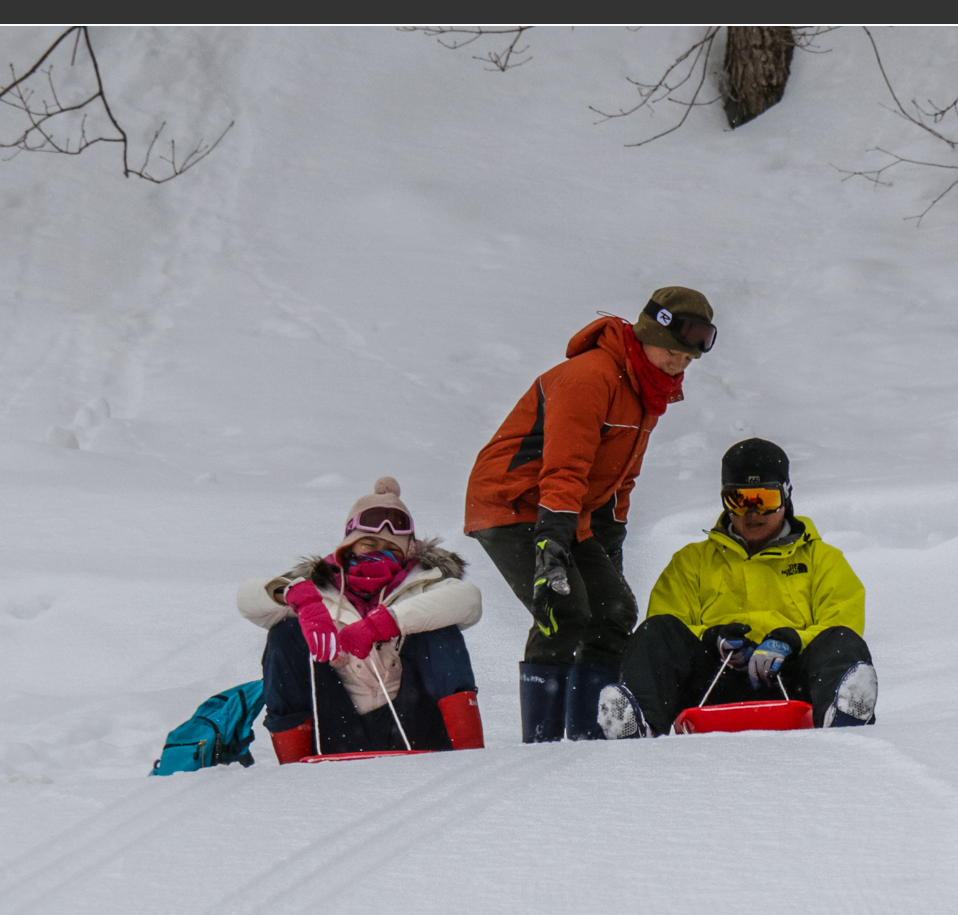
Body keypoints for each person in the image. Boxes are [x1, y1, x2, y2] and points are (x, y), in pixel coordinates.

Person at [464, 286, 717, 742]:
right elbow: (565, 465)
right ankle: (542, 742)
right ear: (646, 334)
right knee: (563, 608)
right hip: (513, 499)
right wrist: (552, 543)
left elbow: (621, 480)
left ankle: (589, 739)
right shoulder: (590, 377)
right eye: (674, 350)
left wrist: (609, 543)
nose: (681, 363)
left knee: (614, 610)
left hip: (567, 508)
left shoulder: (648, 391)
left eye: (690, 357)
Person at [596, 438, 878, 737]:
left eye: (765, 499)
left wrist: (792, 640)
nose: (752, 512)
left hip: (794, 682)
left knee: (841, 640)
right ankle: (639, 726)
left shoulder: (823, 560)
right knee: (656, 632)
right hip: (713, 683)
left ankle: (843, 717)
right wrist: (712, 638)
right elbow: (668, 621)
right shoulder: (692, 561)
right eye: (738, 500)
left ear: (786, 496)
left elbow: (842, 619)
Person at [238, 477, 485, 762]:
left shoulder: (425, 582)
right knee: (284, 634)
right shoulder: (317, 586)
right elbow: (246, 599)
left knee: (440, 631)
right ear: (349, 545)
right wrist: (297, 597)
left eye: (392, 550)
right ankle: (293, 765)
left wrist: (382, 623)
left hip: (416, 723)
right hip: (338, 728)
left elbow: (468, 599)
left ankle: (470, 758)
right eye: (369, 544)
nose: (379, 554)